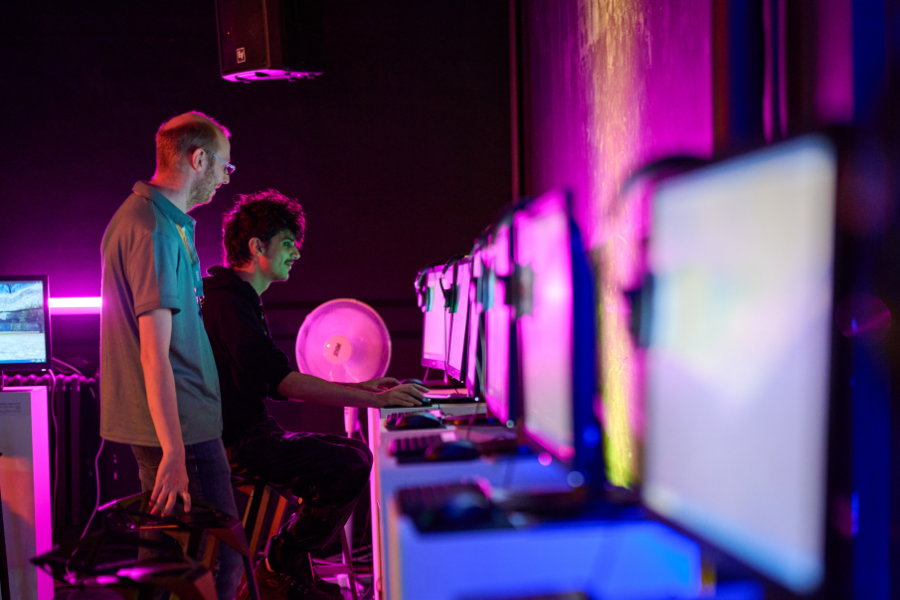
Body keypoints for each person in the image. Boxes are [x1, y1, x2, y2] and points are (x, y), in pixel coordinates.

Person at [200, 189, 426, 599]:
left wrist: (360, 387)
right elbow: (282, 381)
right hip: (237, 444)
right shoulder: (228, 303)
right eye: (288, 243)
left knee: (352, 455)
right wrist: (375, 400)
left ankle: (286, 570)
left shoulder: (237, 298)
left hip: (252, 432)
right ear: (257, 246)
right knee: (350, 463)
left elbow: (272, 378)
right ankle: (279, 565)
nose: (297, 253)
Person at [99, 111, 243, 599]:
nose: (226, 178)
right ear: (198, 159)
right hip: (181, 427)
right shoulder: (154, 230)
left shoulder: (152, 219)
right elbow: (154, 355)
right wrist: (176, 451)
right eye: (224, 166)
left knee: (161, 565)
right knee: (222, 562)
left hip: (173, 424)